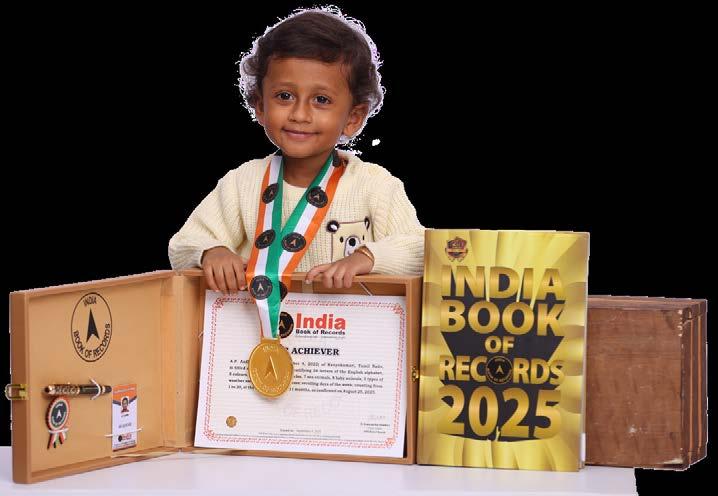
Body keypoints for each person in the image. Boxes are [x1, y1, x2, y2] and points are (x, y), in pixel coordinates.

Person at [168, 6, 424, 293]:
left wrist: (366, 257)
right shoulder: (241, 183)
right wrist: (211, 252)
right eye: (285, 96)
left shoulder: (376, 186)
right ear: (261, 106)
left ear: (353, 118)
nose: (299, 114)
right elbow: (183, 244)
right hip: (253, 323)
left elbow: (419, 249)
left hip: (344, 321)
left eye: (321, 100)